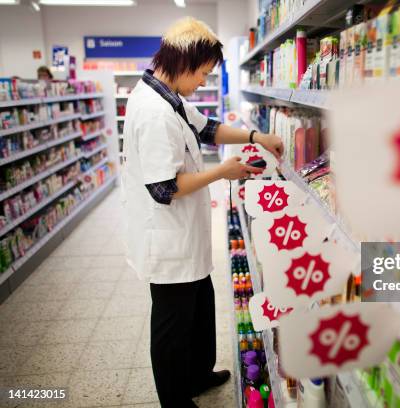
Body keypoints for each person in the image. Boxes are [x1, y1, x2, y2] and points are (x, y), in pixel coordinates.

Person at [120, 17, 283, 408]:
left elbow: (208, 129)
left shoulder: (169, 97)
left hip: (185, 238)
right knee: (172, 326)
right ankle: (175, 400)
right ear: (183, 63)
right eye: (204, 74)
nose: (204, 83)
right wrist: (222, 172)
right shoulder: (154, 112)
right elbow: (164, 188)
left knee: (199, 308)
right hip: (166, 240)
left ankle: (196, 374)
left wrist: (255, 136)